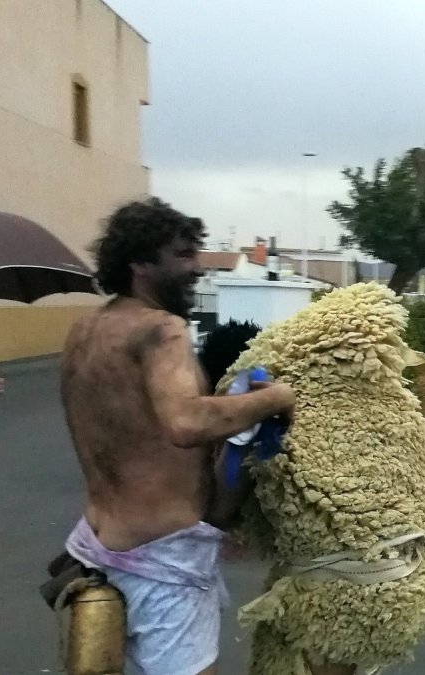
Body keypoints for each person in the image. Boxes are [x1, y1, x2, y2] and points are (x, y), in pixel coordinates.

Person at [55, 197, 295, 675]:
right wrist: (277, 399)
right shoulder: (162, 329)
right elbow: (185, 422)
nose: (197, 268)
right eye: (183, 255)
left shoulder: (86, 330)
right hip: (162, 561)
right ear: (140, 263)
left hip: (99, 548)